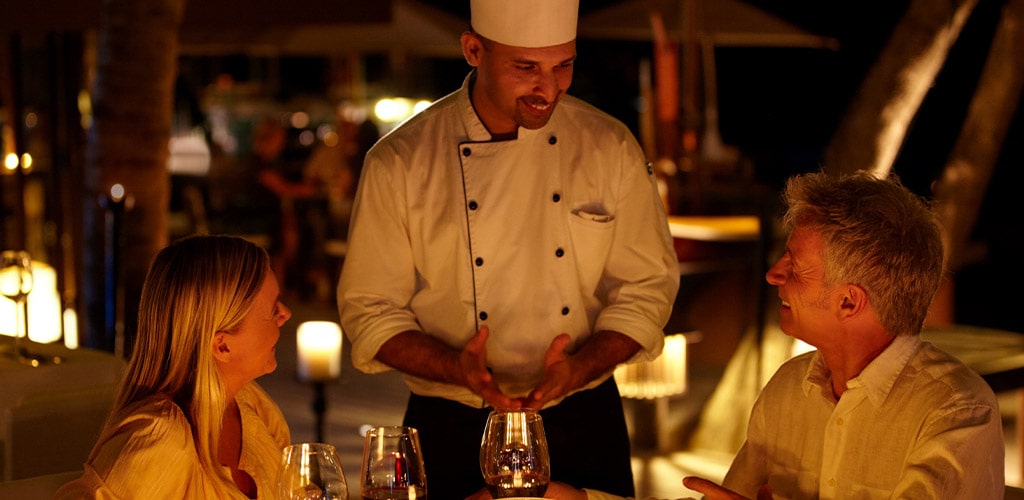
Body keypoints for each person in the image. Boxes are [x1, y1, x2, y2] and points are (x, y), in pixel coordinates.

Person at [336, 0, 680, 498]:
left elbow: (648, 288)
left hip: (582, 418)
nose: (549, 87)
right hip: (451, 424)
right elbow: (370, 311)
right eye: (526, 68)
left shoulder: (610, 145)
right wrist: (456, 368)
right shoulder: (401, 161)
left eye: (563, 65)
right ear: (473, 50)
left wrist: (581, 368)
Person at [544, 171, 1005, 500]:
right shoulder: (789, 388)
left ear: (849, 302)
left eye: (795, 267)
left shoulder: (956, 412)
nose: (772, 275)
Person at [55, 234, 293, 499]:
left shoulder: (254, 406)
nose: (286, 314)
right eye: (272, 310)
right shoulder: (160, 437)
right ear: (222, 345)